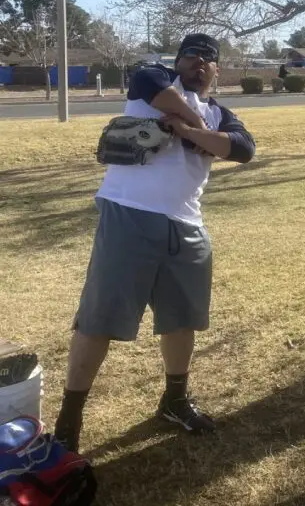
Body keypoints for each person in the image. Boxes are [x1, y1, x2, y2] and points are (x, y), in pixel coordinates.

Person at [53, 33, 257, 452]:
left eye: (209, 59)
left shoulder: (220, 111)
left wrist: (187, 129)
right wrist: (197, 127)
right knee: (101, 317)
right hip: (129, 213)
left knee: (182, 318)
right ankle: (69, 420)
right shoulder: (154, 86)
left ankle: (174, 399)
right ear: (178, 61)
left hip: (186, 223)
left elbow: (242, 149)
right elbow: (145, 77)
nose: (200, 63)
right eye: (191, 56)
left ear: (217, 71)